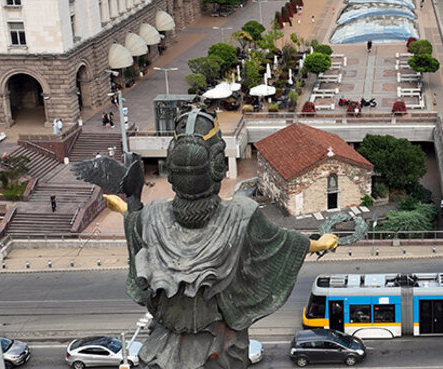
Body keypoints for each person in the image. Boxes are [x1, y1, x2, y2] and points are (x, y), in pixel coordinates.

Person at [94, 110, 336, 369]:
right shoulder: (242, 213)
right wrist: (320, 243)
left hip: (164, 346)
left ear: (172, 173)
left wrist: (125, 208)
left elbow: (136, 227)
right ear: (217, 167)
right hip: (220, 344)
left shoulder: (151, 215)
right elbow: (281, 243)